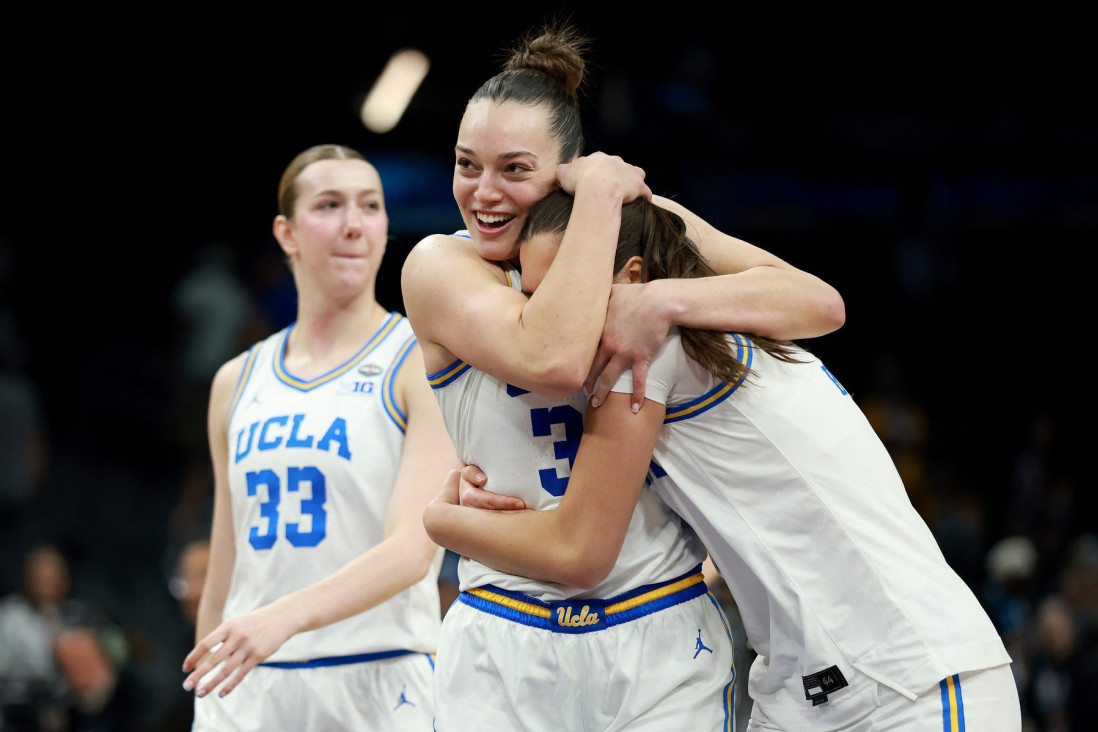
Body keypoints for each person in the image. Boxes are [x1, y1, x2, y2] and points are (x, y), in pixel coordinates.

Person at [424, 189, 1021, 731]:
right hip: (800, 690)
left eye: (560, 291)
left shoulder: (649, 352)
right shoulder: (718, 313)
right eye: (531, 296)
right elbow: (819, 300)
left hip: (906, 681)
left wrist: (444, 522)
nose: (545, 316)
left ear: (632, 276)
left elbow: (578, 551)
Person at [399, 20, 844, 731]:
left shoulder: (634, 223)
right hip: (505, 628)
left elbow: (816, 304)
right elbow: (551, 359)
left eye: (514, 169)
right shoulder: (438, 264)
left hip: (658, 627)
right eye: (466, 164)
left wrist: (663, 298)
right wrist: (602, 201)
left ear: (569, 172)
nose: (483, 192)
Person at [180, 144, 459, 731]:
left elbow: (413, 552)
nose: (354, 224)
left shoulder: (418, 360)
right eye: (330, 205)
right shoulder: (236, 381)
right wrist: (207, 684)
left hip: (378, 673)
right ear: (287, 234)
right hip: (249, 683)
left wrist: (282, 618)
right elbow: (227, 558)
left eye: (370, 206)